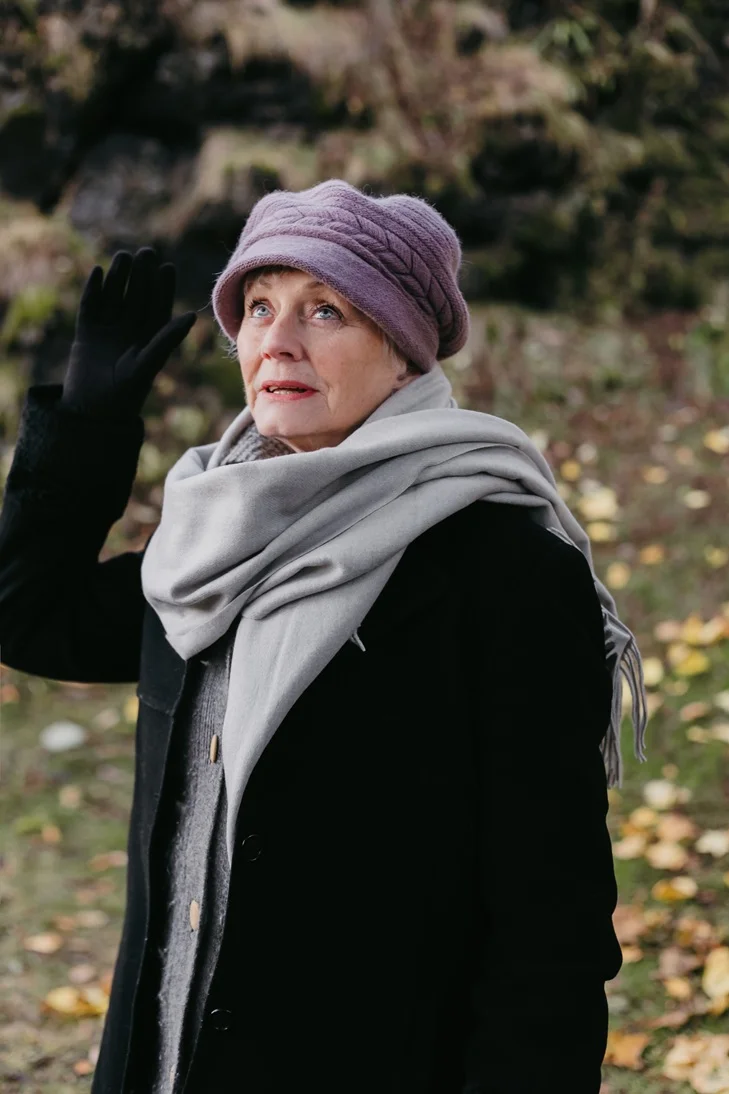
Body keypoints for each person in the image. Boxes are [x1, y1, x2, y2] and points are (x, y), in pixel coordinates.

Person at [0, 178, 647, 1094]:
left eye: (326, 310)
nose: (276, 340)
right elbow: (29, 615)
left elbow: (551, 928)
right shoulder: (211, 550)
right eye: (259, 307)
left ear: (404, 354)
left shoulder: (503, 573)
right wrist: (86, 425)